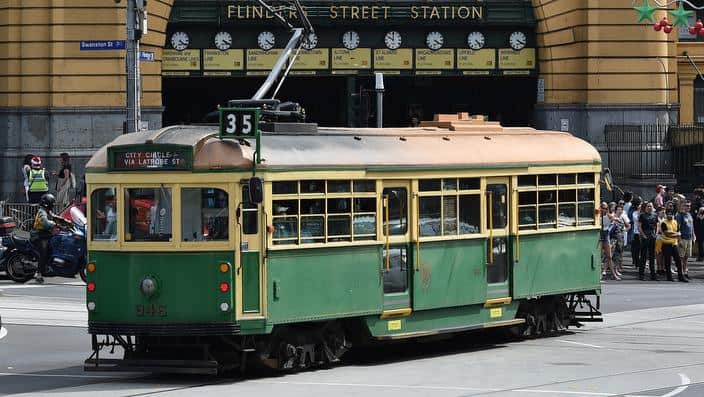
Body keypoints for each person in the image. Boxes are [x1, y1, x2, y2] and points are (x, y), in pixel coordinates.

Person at [30, 193, 64, 284]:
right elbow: (44, 222)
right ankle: (39, 274)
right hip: (38, 235)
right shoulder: (42, 211)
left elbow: (54, 217)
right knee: (43, 252)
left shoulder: (47, 211)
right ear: (47, 203)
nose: (52, 204)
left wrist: (64, 221)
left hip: (45, 234)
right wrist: (54, 224)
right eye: (51, 202)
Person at [660, 204, 687, 282]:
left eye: (671, 214)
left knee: (678, 261)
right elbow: (667, 233)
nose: (670, 215)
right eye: (668, 214)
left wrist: (679, 240)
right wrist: (676, 234)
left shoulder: (675, 222)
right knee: (668, 262)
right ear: (666, 214)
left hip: (674, 244)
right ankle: (669, 277)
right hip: (666, 244)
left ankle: (680, 277)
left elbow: (678, 232)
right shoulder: (663, 223)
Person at [600, 202, 620, 280]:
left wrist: (616, 219)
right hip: (600, 234)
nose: (604, 210)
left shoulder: (608, 216)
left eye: (605, 208)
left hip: (606, 235)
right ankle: (600, 274)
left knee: (609, 256)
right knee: (600, 256)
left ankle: (613, 274)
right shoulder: (598, 215)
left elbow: (614, 218)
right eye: (602, 208)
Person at [639, 202, 658, 280]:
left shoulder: (655, 215)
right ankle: (641, 274)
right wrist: (643, 235)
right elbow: (639, 226)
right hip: (645, 236)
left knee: (652, 256)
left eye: (651, 206)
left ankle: (653, 274)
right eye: (648, 206)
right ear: (645, 207)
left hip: (652, 236)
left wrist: (656, 233)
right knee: (643, 256)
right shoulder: (642, 215)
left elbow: (657, 225)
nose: (649, 207)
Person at [676, 201, 694, 279]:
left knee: (686, 257)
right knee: (681, 256)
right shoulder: (679, 215)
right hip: (683, 238)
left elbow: (692, 226)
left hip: (689, 238)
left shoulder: (689, 214)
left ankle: (685, 271)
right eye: (686, 206)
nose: (688, 207)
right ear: (682, 206)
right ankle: (681, 273)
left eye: (689, 206)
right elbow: (678, 228)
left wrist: (694, 235)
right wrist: (679, 239)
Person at [611, 205, 630, 274]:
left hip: (620, 238)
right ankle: (608, 270)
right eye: (618, 209)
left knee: (619, 254)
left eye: (621, 210)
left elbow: (628, 225)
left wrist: (624, 231)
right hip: (613, 238)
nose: (619, 211)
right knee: (612, 254)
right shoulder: (613, 217)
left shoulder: (622, 218)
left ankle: (616, 269)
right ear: (615, 210)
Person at [630, 198, 642, 271]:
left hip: (641, 232)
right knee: (636, 248)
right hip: (636, 232)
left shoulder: (642, 214)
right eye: (639, 206)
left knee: (641, 249)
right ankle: (636, 262)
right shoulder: (634, 213)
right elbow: (637, 219)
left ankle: (639, 262)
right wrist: (640, 213)